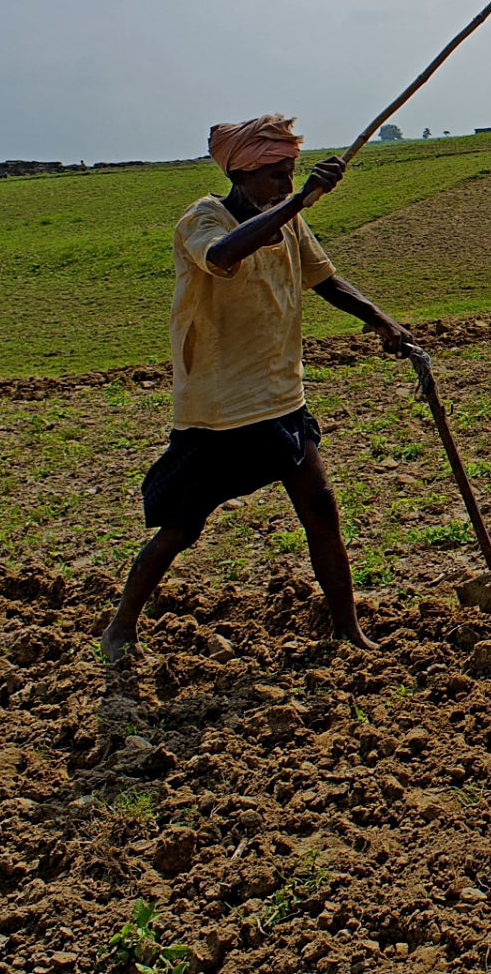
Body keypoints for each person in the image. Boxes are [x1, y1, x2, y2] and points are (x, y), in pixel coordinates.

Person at [101, 114, 409, 661]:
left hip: (281, 398)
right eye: (274, 174)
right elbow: (223, 256)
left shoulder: (284, 220)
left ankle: (347, 631)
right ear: (240, 174)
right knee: (180, 529)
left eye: (291, 173)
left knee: (321, 508)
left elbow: (323, 278)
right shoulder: (203, 220)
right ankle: (121, 627)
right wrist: (301, 201)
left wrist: (380, 319)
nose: (285, 185)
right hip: (219, 411)